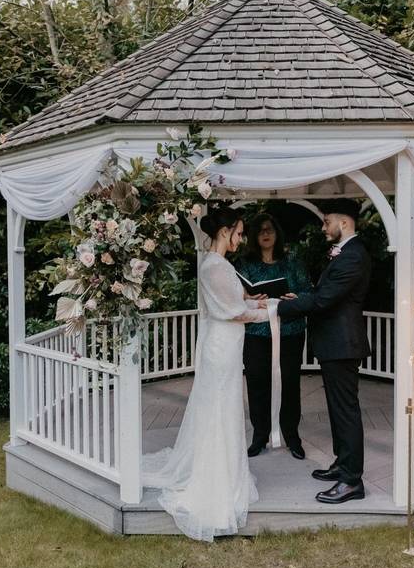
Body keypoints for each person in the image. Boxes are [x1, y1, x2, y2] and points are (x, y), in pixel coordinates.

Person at [142, 207, 272, 541]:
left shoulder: (220, 264)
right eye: (239, 232)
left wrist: (256, 302)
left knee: (225, 407)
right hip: (222, 345)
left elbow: (237, 302)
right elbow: (232, 312)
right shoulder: (214, 266)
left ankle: (227, 472)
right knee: (219, 409)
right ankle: (215, 479)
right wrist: (271, 311)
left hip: (228, 345)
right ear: (225, 231)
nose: (241, 239)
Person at [276, 199, 371, 504]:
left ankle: (352, 481)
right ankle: (342, 465)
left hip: (342, 345)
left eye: (326, 221)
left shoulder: (353, 256)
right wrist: (301, 296)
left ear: (343, 223)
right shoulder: (345, 254)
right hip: (335, 345)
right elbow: (321, 296)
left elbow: (323, 301)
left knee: (346, 413)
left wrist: (282, 305)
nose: (323, 227)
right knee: (338, 410)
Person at [236, 213, 313, 460]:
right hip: (256, 333)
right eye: (260, 230)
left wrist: (296, 297)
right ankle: (260, 436)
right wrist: (248, 298)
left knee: (290, 383)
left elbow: (308, 291)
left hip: (289, 331)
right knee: (257, 383)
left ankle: (292, 436)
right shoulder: (245, 263)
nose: (266, 234)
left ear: (277, 233)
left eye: (270, 229)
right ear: (254, 236)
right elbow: (235, 295)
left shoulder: (292, 261)